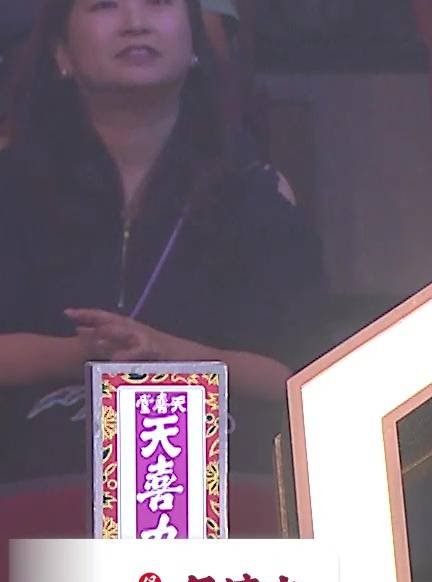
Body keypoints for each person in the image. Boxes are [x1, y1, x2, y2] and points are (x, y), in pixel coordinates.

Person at [0, 0, 321, 499]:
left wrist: (170, 355)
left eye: (159, 3)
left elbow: (295, 376)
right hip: (35, 489)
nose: (136, 23)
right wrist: (81, 353)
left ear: (194, 42)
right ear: (61, 52)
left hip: (213, 490)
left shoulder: (256, 193)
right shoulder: (12, 189)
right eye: (105, 6)